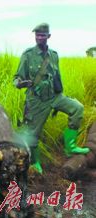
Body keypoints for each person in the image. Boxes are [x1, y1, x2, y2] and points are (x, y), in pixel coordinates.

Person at [13, 23, 90, 174]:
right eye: (37, 35)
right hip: (37, 100)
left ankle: (70, 147)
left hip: (55, 96)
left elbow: (57, 77)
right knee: (33, 133)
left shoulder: (54, 55)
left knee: (77, 108)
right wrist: (20, 83)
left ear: (48, 36)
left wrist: (60, 96)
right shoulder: (28, 55)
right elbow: (16, 78)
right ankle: (35, 163)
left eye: (42, 35)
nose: (39, 38)